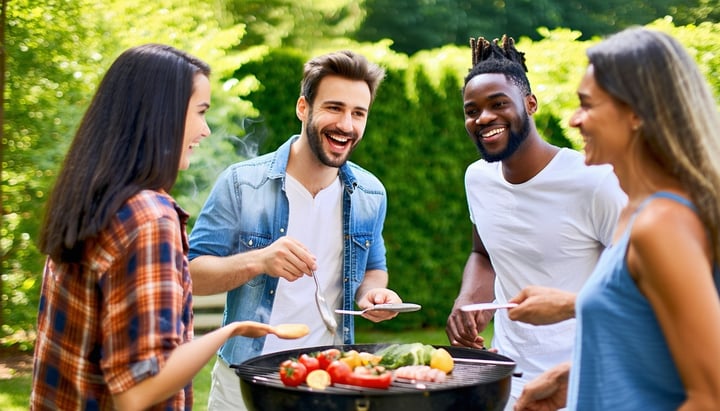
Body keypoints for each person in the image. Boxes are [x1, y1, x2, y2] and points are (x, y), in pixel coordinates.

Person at [30, 44, 306, 411]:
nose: (206, 130)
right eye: (200, 112)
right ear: (163, 115)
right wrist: (232, 330)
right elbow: (137, 392)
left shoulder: (92, 199)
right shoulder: (149, 219)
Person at [512, 27, 720, 411]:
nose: (574, 120)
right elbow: (653, 335)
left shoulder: (662, 224)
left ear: (637, 112)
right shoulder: (636, 211)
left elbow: (710, 398)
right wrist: (576, 374)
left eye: (587, 105)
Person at [188, 50, 403, 410]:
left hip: (328, 379)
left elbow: (373, 270)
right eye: (334, 108)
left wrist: (374, 296)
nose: (346, 125)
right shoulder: (242, 183)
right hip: (245, 382)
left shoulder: (370, 193)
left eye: (358, 113)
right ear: (303, 108)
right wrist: (259, 261)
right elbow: (190, 276)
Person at [445, 35, 626, 410]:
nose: (484, 118)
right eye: (472, 110)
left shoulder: (593, 180)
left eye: (498, 104)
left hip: (580, 381)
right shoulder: (477, 177)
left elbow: (638, 283)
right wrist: (468, 300)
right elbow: (483, 253)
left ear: (530, 104)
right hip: (508, 380)